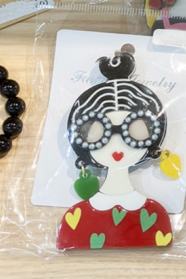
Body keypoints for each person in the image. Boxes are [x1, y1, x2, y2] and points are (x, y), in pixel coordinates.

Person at [56, 48, 172, 250]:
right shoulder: (75, 221)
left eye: (134, 130)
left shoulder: (156, 217)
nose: (117, 145)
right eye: (99, 133)